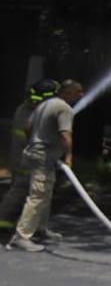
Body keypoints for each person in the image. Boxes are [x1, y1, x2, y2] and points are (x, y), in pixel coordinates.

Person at [7, 79, 84, 253]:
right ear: (67, 92)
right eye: (78, 92)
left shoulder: (44, 104)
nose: (82, 95)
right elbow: (65, 135)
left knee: (45, 194)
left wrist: (33, 143)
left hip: (34, 155)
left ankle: (40, 228)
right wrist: (69, 158)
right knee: (38, 196)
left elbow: (27, 127)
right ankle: (21, 237)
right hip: (43, 157)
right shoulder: (64, 108)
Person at [1, 79, 59, 230]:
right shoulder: (29, 111)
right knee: (21, 189)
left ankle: (37, 226)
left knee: (35, 192)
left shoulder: (29, 107)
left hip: (27, 156)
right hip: (26, 157)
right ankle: (5, 220)